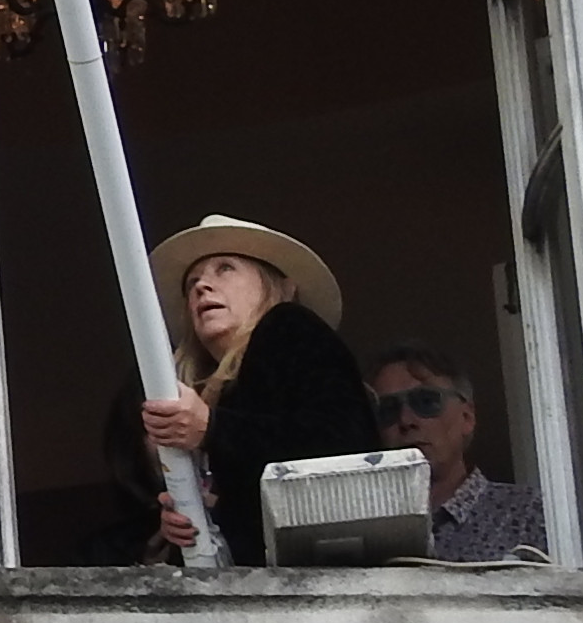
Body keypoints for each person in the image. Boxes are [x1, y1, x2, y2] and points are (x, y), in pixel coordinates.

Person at [107, 215, 376, 566]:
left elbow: (343, 444)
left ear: (280, 287)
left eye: (225, 268)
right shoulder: (208, 392)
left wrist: (212, 428)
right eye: (192, 282)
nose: (203, 285)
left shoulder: (287, 327)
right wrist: (190, 519)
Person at [369, 341, 551, 562]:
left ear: (467, 417)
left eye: (426, 401)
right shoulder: (367, 529)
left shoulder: (530, 514)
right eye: (388, 409)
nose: (406, 420)